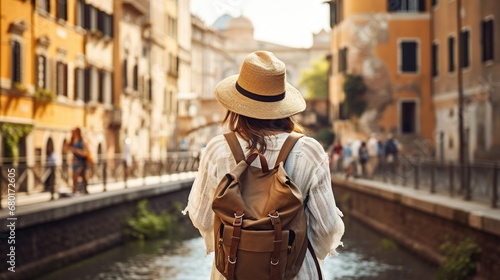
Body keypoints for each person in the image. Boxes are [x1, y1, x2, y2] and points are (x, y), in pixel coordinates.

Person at [183, 51, 344, 279]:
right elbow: (327, 229)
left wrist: (233, 246)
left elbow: (201, 217)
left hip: (231, 270)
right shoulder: (309, 151)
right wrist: (293, 253)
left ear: (236, 104)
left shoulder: (217, 149)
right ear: (282, 103)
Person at [64, 127, 89, 194]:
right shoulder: (72, 140)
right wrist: (68, 148)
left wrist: (76, 150)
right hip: (75, 161)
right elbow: (66, 148)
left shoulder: (82, 141)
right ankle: (75, 190)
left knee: (81, 176)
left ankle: (81, 189)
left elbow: (85, 152)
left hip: (81, 161)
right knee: (75, 176)